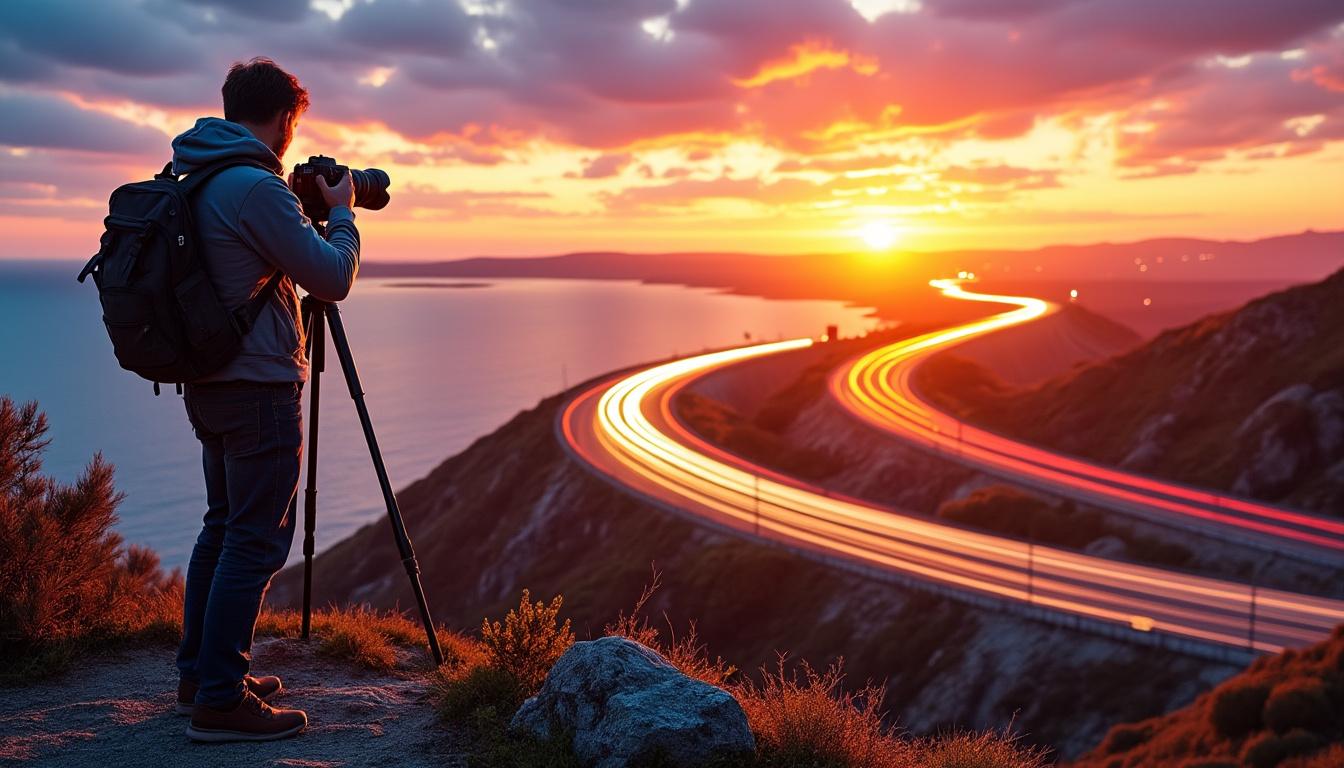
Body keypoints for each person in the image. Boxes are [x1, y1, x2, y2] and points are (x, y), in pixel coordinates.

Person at [169, 57, 359, 743]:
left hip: (210, 383)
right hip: (257, 389)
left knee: (222, 527)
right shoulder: (254, 187)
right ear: (285, 120)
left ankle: (201, 674)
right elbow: (331, 279)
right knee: (254, 540)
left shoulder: (196, 177)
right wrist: (341, 215)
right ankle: (220, 700)